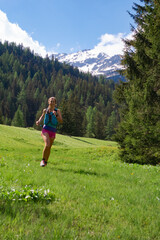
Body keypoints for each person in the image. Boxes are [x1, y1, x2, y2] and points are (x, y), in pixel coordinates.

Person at [36, 97, 63, 167]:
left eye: (53, 101)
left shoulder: (57, 111)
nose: (52, 103)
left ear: (55, 103)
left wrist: (56, 115)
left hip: (53, 130)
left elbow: (61, 121)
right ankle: (42, 160)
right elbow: (42, 116)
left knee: (49, 147)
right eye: (51, 101)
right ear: (48, 102)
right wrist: (39, 121)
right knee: (47, 144)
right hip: (45, 129)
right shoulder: (45, 110)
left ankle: (45, 162)